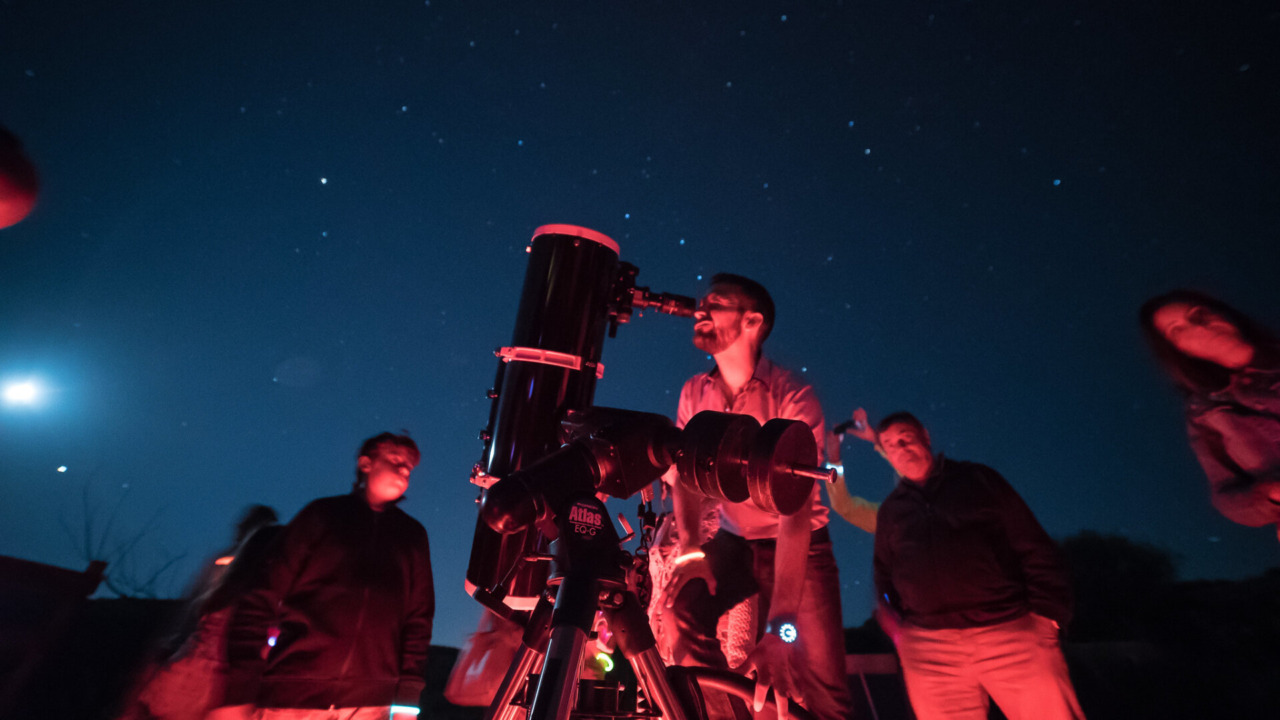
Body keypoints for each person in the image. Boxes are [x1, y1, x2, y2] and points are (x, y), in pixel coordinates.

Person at [655, 274, 854, 720]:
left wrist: (781, 629)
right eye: (702, 301)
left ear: (752, 321)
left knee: (825, 691)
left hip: (800, 545)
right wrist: (690, 550)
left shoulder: (792, 395)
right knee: (681, 616)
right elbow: (686, 478)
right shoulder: (695, 392)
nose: (699, 309)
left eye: (716, 303)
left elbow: (796, 514)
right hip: (732, 543)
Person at [871, 412, 1085, 720]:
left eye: (906, 437)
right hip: (931, 649)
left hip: (1010, 632)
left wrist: (1048, 617)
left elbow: (1034, 547)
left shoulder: (979, 481)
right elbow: (884, 575)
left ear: (925, 436)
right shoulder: (892, 510)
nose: (900, 448)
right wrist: (901, 633)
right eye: (890, 444)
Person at [209, 433, 434, 720]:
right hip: (292, 698)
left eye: (409, 467)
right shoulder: (321, 516)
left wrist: (406, 703)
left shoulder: (412, 536)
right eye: (395, 459)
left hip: (369, 706)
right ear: (366, 463)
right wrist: (238, 691)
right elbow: (261, 596)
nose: (404, 469)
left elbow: (418, 621)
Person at [1140, 290, 1280, 539]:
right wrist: (1268, 496)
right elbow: (1225, 493)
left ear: (1223, 313)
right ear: (1178, 349)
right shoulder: (1204, 412)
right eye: (1177, 330)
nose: (1199, 328)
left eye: (1199, 314)